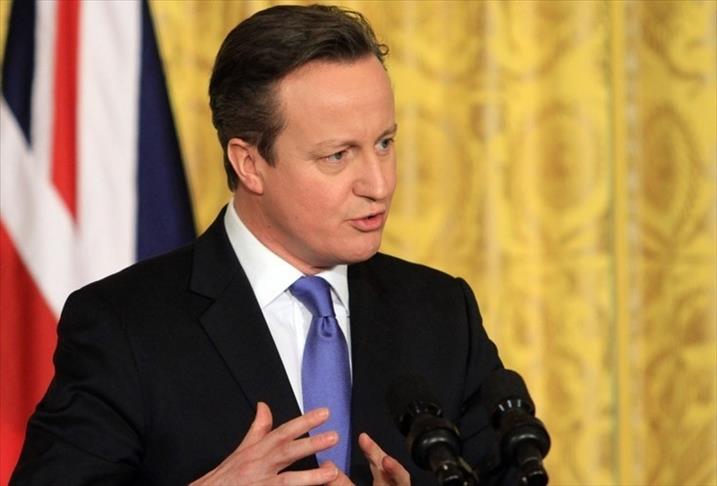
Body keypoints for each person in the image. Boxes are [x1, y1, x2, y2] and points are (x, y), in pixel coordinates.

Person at [11, 5, 517, 485]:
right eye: (338, 156)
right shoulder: (124, 325)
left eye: (384, 143)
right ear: (249, 164)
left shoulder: (441, 312)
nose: (379, 184)